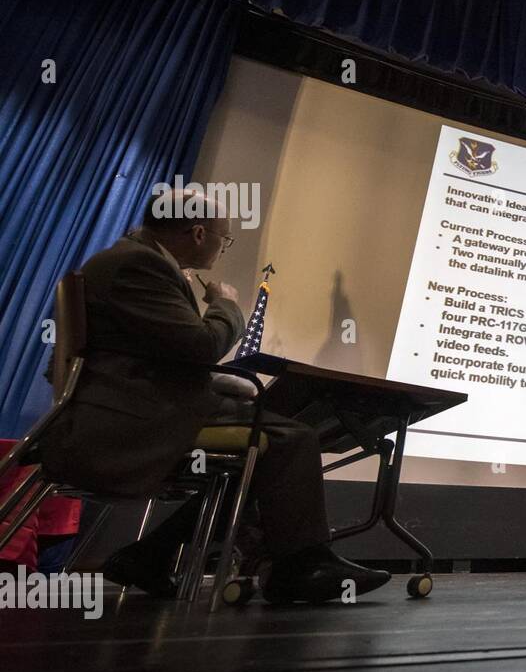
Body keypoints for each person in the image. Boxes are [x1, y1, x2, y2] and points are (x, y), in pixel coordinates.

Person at [38, 187, 390, 603]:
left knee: (263, 449)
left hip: (134, 406)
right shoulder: (138, 265)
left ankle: (152, 553)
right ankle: (300, 567)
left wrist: (222, 384)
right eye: (225, 239)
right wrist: (226, 306)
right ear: (199, 233)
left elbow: (164, 357)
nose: (224, 249)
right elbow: (202, 347)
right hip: (128, 420)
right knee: (291, 440)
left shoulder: (134, 260)